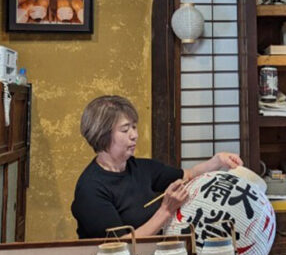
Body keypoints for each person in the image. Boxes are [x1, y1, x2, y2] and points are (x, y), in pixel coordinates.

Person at [71, 95, 243, 239]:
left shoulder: (142, 168)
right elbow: (120, 247)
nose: (134, 135)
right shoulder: (90, 188)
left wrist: (217, 161)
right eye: (125, 130)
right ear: (102, 136)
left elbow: (189, 175)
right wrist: (166, 210)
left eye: (134, 127)